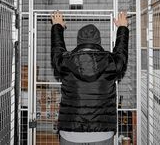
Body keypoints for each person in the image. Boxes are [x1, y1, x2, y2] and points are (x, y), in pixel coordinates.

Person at [51, 11, 129, 145]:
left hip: (70, 133)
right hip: (102, 133)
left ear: (79, 41)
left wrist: (57, 27)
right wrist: (122, 28)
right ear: (98, 41)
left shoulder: (66, 61)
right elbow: (121, 54)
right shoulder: (110, 61)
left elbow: (57, 50)